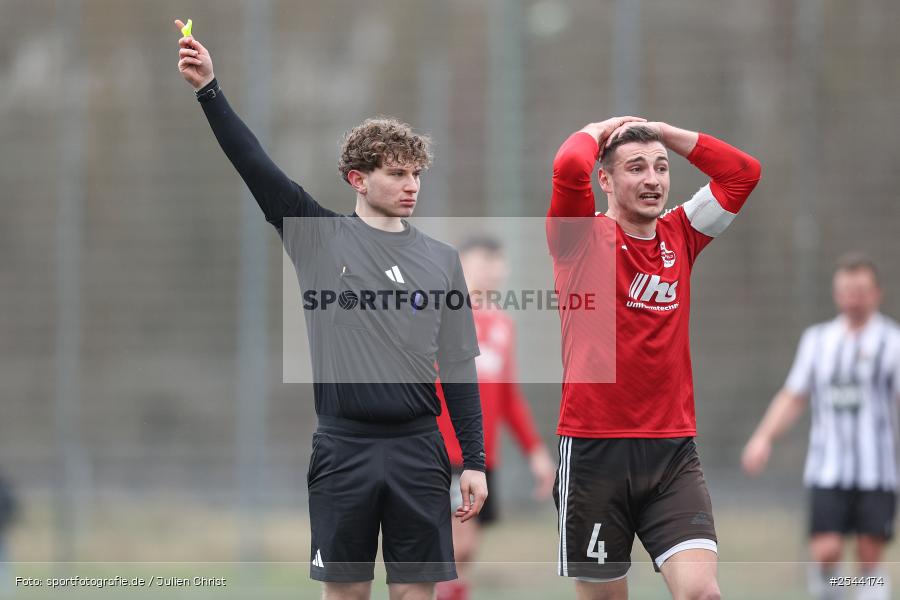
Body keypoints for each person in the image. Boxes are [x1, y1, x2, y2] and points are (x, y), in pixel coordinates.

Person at [174, 20, 488, 600]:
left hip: (421, 451)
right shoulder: (318, 238)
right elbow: (255, 165)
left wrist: (474, 460)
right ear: (358, 179)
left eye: (416, 173)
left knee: (417, 595)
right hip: (345, 449)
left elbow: (460, 367)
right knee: (346, 595)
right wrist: (209, 89)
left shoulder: (442, 260)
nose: (410, 184)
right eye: (396, 173)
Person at [547, 117, 761, 600]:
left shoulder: (682, 232)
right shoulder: (578, 238)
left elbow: (742, 173)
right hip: (594, 453)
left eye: (661, 168)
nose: (652, 179)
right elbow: (567, 163)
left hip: (671, 453)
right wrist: (601, 129)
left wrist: (665, 133)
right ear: (604, 179)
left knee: (702, 592)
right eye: (636, 167)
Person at [742, 254, 900, 600]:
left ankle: (866, 593)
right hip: (827, 468)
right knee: (826, 552)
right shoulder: (818, 341)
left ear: (876, 294)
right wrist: (763, 438)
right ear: (836, 294)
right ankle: (837, 594)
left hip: (878, 471)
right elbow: (793, 396)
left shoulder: (892, 343)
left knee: (869, 555)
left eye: (861, 291)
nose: (853, 299)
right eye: (846, 291)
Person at [434, 236, 557, 600]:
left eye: (496, 263)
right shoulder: (441, 316)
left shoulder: (502, 324)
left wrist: (535, 450)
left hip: (482, 456)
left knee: (465, 553)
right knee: (459, 547)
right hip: (442, 452)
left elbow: (507, 396)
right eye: (481, 262)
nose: (490, 271)